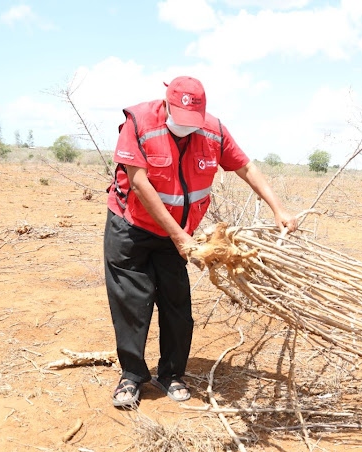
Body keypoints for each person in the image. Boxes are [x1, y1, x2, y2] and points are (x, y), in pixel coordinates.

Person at [105, 76, 297, 407]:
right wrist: (179, 236)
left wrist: (277, 207)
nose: (187, 128)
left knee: (176, 302)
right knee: (132, 301)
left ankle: (171, 374)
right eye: (181, 120)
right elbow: (138, 182)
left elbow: (245, 166)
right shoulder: (139, 123)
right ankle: (132, 376)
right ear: (166, 105)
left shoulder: (213, 131)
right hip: (132, 226)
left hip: (178, 233)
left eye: (193, 122)